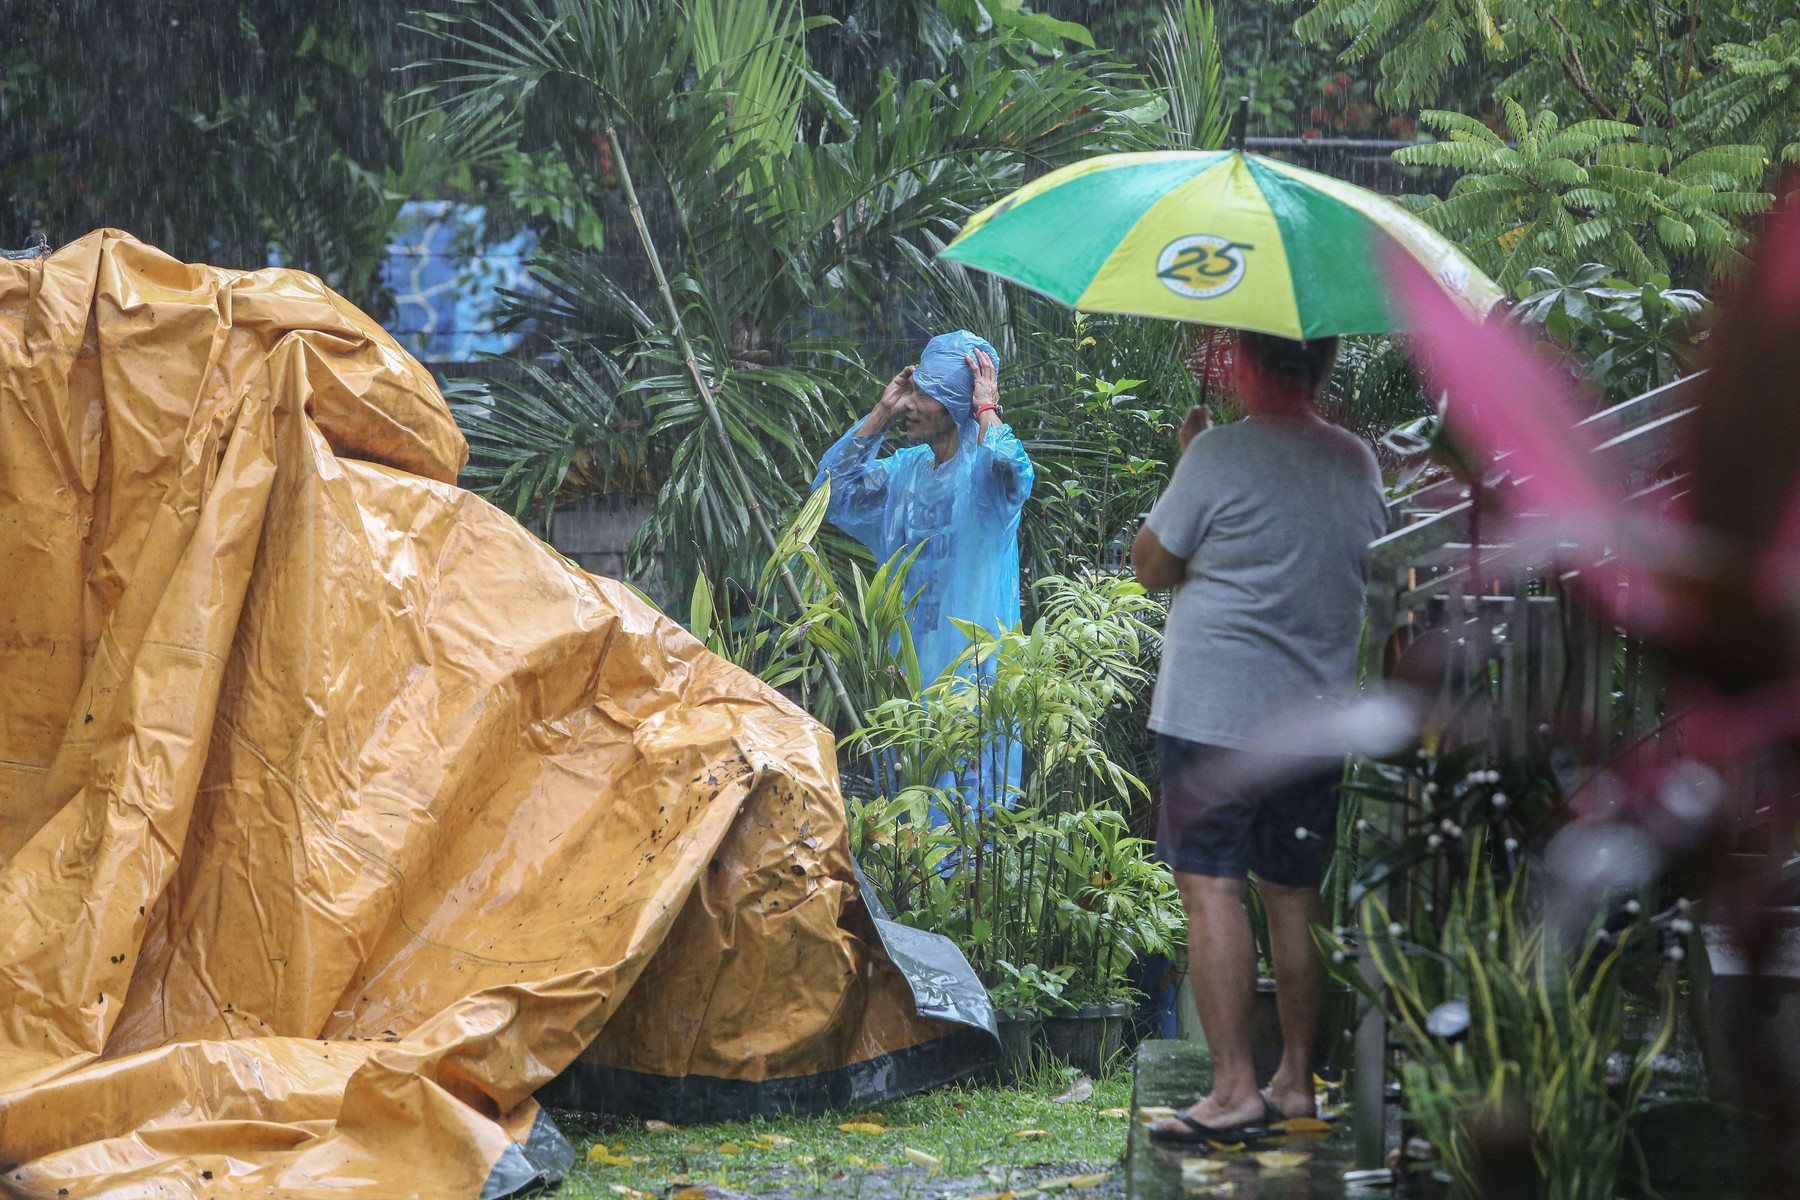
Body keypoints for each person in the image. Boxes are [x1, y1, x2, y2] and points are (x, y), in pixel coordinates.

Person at [1132, 331, 1388, 1142]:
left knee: (1211, 887)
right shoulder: (1357, 461)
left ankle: (1234, 1086)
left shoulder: (1217, 457)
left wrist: (1190, 460)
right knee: (1293, 892)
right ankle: (1297, 1081)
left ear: (1244, 366)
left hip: (1213, 713)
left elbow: (1152, 565)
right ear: (1325, 367)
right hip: (1313, 715)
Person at [813, 330, 1034, 805]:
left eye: (923, 393)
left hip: (973, 686)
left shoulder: (985, 478)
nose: (909, 404)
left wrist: (986, 409)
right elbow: (832, 494)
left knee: (969, 833)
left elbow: (1013, 469)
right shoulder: (905, 472)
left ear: (954, 401)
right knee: (907, 836)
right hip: (907, 683)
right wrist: (879, 412)